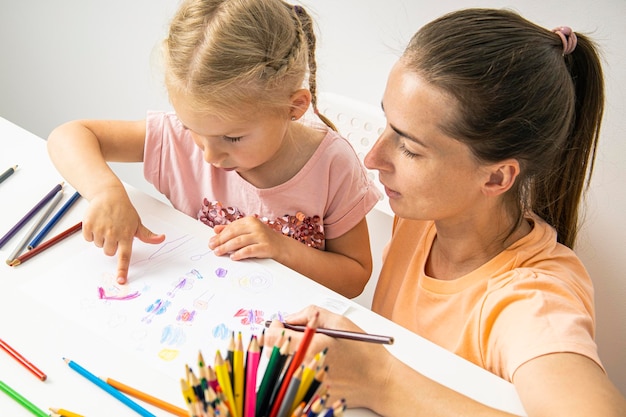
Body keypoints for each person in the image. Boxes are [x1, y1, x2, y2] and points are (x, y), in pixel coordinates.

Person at [266, 8, 626, 417]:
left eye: (410, 148)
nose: (372, 157)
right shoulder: (421, 219)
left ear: (496, 178)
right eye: (387, 123)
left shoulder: (532, 300)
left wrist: (379, 379)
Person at [46, 0, 380, 298]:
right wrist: (106, 192)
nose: (209, 156)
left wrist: (281, 248)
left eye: (232, 138)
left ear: (294, 107)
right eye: (193, 129)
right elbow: (69, 135)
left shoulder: (331, 165)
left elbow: (354, 279)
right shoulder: (175, 138)